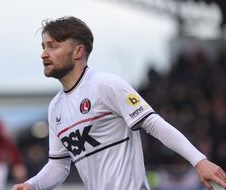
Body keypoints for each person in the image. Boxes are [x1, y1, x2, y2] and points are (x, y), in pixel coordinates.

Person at [12, 16, 226, 190]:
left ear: (78, 51)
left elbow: (153, 124)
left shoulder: (106, 85)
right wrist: (32, 185)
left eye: (52, 46)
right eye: (43, 46)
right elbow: (59, 165)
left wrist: (198, 160)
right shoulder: (55, 107)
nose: (43, 54)